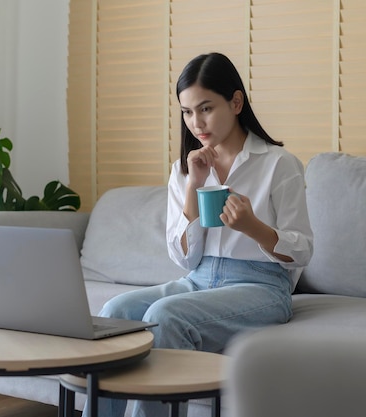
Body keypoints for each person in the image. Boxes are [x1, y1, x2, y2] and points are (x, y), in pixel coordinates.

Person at [90, 52, 313, 417]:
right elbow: (184, 259)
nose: (197, 122)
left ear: (236, 102)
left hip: (262, 288)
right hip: (198, 279)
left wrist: (252, 228)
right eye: (187, 111)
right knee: (115, 312)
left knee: (167, 316)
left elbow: (303, 250)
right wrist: (194, 184)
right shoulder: (183, 170)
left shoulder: (278, 164)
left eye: (206, 108)